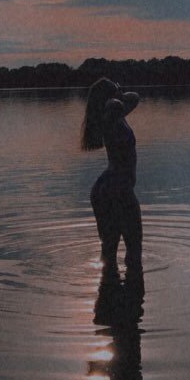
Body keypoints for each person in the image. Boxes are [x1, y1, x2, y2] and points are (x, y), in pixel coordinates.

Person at [81, 77, 142, 272]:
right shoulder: (113, 113)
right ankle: (132, 288)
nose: (121, 90)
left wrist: (116, 92)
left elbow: (134, 98)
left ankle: (109, 287)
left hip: (106, 187)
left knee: (108, 251)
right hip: (119, 188)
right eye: (117, 87)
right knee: (134, 250)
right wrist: (116, 95)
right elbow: (127, 99)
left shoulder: (113, 115)